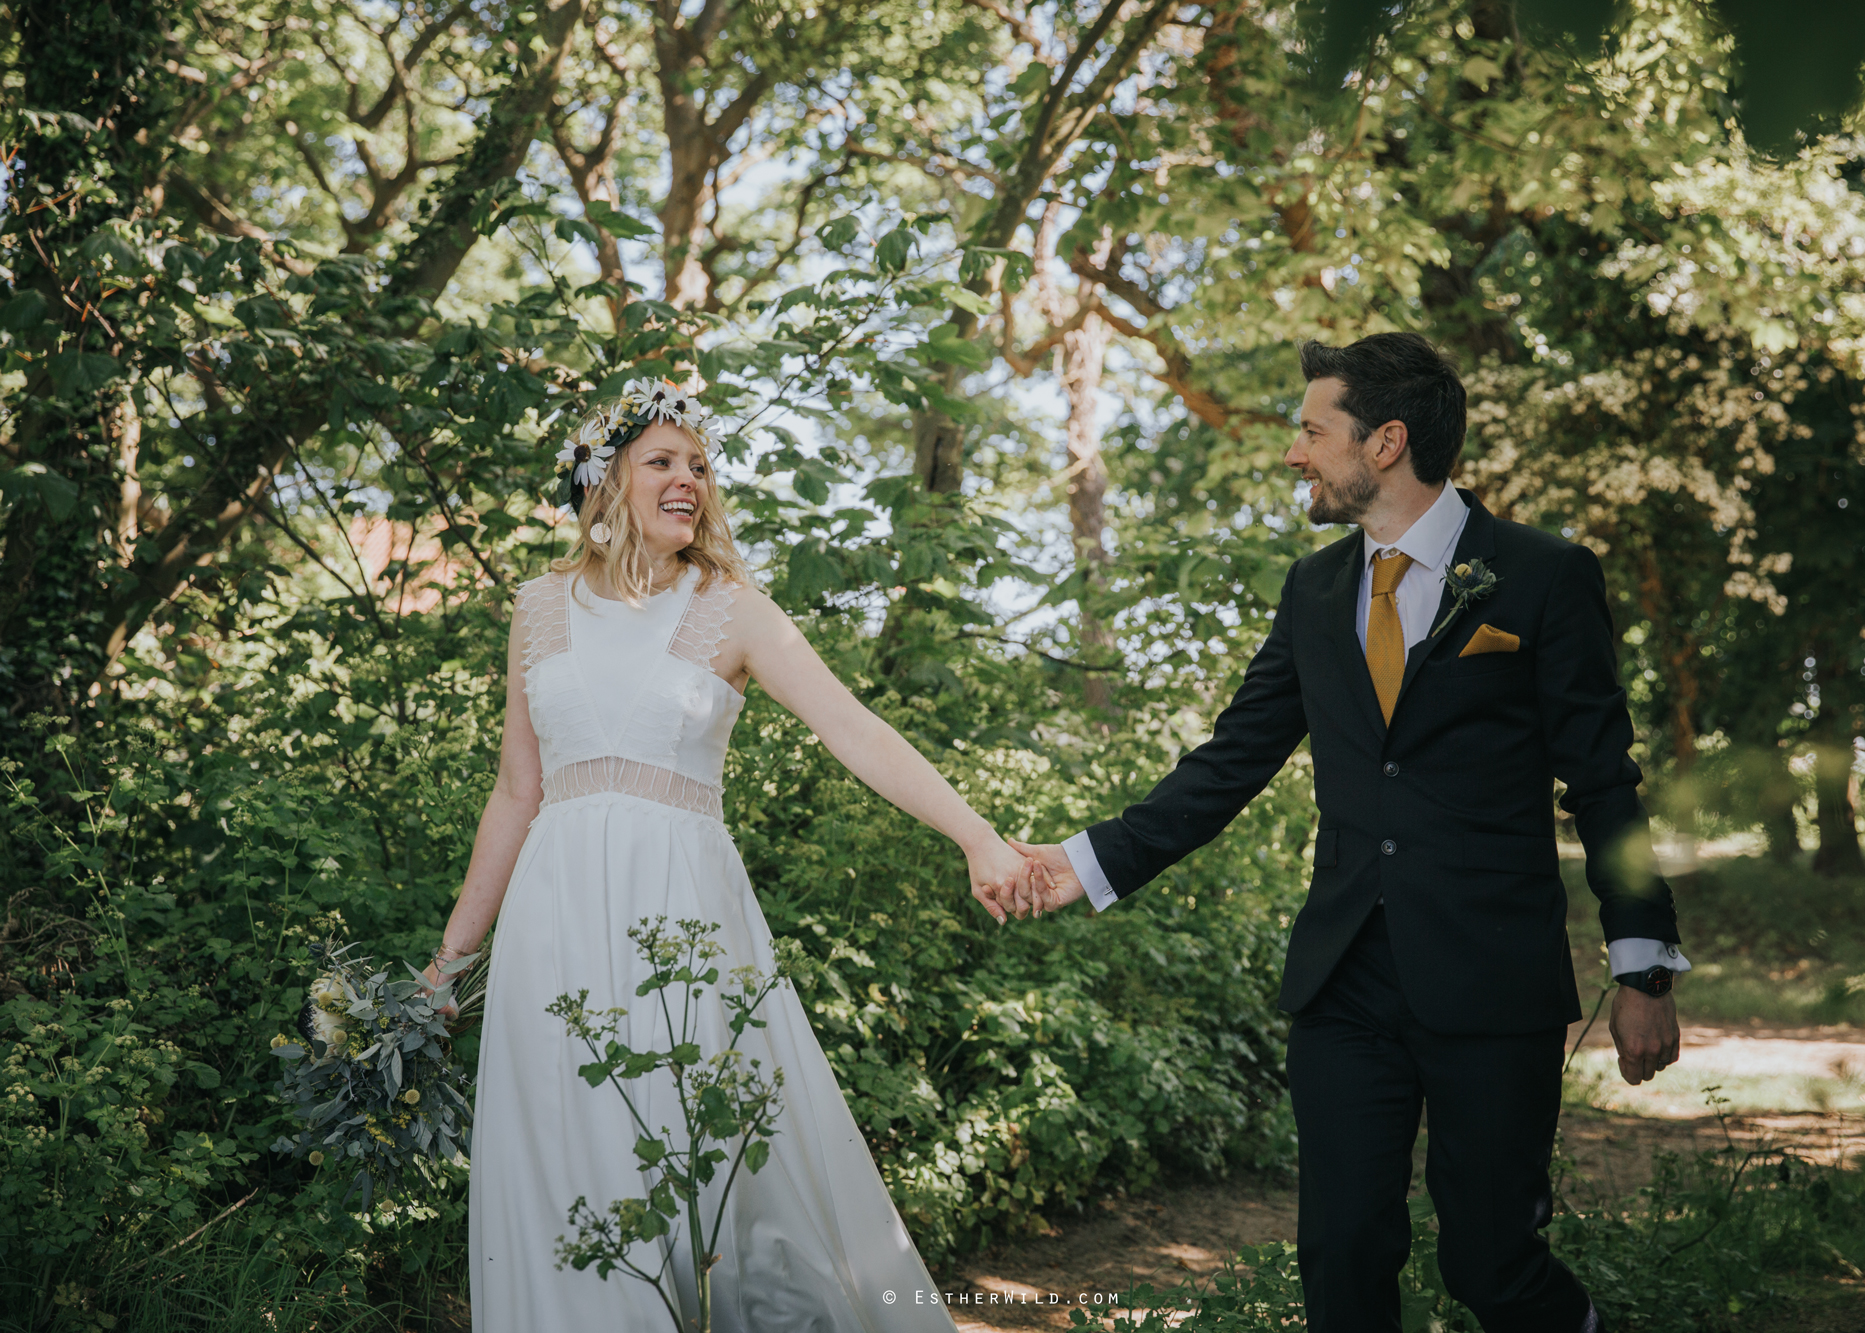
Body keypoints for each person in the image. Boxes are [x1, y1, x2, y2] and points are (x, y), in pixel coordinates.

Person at [1008, 332, 1689, 1333]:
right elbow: (1230, 760)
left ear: (1385, 443)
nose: (1293, 453)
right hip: (1343, 979)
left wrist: (1641, 971)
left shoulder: (1540, 577)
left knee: (1492, 1261)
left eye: (1310, 430)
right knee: (1339, 1257)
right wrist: (1082, 862)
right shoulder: (1312, 592)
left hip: (1489, 973)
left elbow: (1600, 784)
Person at [423, 379, 1026, 1332]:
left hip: (681, 922)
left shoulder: (733, 609)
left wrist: (976, 834)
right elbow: (514, 792)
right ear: (603, 477)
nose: (688, 481)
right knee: (559, 1161)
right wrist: (449, 962)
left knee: (679, 1155)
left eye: (699, 465)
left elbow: (853, 729)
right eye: (661, 461)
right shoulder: (538, 607)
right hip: (555, 920)